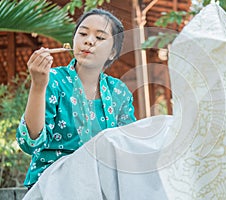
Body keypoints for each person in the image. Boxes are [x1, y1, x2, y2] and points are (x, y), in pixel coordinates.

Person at [16, 8, 136, 189]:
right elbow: (29, 143)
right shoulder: (52, 80)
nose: (89, 40)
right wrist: (38, 86)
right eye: (83, 33)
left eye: (100, 37)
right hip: (52, 185)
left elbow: (128, 147)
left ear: (112, 52)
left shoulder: (119, 92)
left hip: (102, 186)